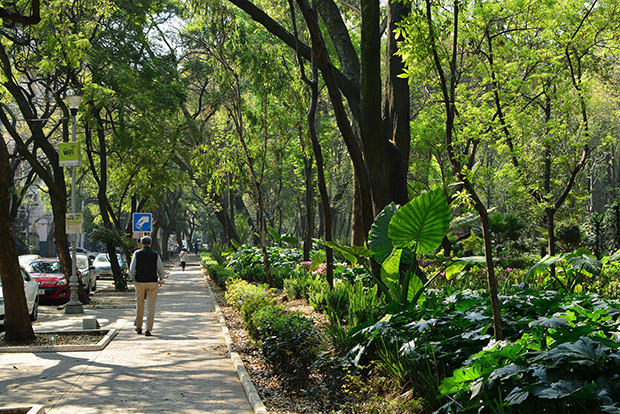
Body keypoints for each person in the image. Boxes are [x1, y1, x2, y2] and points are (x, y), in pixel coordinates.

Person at [129, 236, 165, 336]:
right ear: (150, 243)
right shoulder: (155, 254)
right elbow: (160, 268)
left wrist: (133, 279)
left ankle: (138, 327)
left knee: (139, 304)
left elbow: (132, 268)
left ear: (141, 243)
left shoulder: (137, 253)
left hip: (139, 281)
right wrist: (161, 279)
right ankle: (148, 329)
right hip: (152, 282)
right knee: (151, 306)